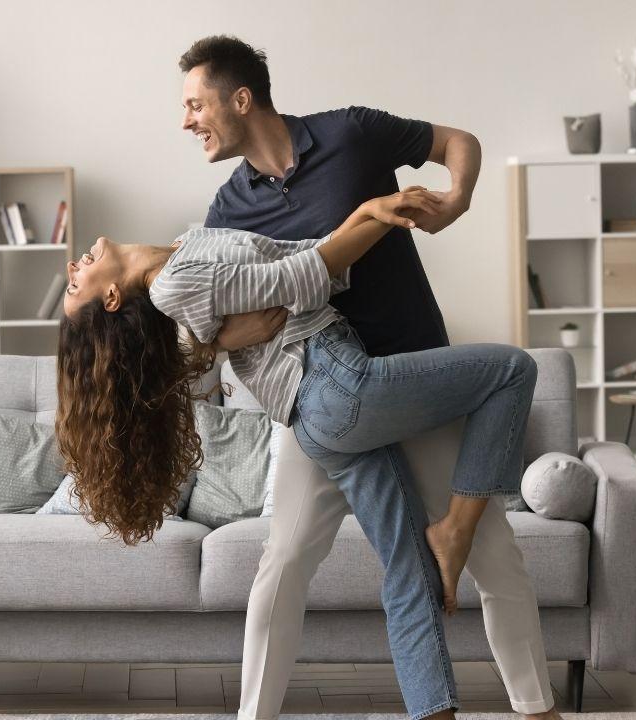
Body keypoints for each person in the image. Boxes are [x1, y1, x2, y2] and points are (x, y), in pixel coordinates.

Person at [171, 35, 559, 720]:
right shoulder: (227, 213)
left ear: (241, 98)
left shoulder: (350, 134)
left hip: (413, 379)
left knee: (496, 561)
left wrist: (458, 197)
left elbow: (456, 141)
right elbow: (210, 332)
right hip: (320, 398)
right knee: (282, 564)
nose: (187, 121)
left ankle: (536, 709)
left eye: (196, 104)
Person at [55, 186, 544, 719]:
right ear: (109, 300)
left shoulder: (186, 246)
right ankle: (457, 527)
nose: (73, 268)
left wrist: (358, 213)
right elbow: (296, 280)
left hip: (317, 418)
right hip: (334, 384)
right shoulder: (173, 284)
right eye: (73, 286)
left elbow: (293, 261)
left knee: (410, 569)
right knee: (512, 370)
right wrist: (374, 218)